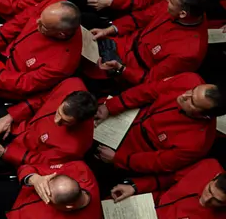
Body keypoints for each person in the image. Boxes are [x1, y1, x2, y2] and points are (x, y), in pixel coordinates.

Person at [0, 78, 97, 177]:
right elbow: (41, 99)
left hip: (21, 152)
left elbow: (42, 162)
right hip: (20, 123)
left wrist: (6, 153)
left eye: (65, 122)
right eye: (58, 113)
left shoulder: (75, 146)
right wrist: (11, 116)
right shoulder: (72, 84)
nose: (56, 120)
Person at [93, 73, 222, 176]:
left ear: (205, 116)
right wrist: (111, 106)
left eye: (192, 101)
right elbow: (148, 91)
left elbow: (157, 162)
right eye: (192, 90)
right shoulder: (189, 80)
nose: (184, 95)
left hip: (128, 151)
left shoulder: (196, 144)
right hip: (126, 116)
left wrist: (118, 159)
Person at [87, 0, 209, 88]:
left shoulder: (188, 53)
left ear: (182, 14)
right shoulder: (177, 6)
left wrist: (121, 69)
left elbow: (151, 81)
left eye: (171, 1)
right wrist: (109, 30)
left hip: (129, 70)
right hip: (123, 41)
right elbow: (143, 17)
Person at [106, 159, 226, 219]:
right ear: (215, 176)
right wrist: (135, 186)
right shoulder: (209, 166)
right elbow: (170, 177)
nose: (206, 199)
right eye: (209, 190)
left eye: (217, 201)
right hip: (148, 200)